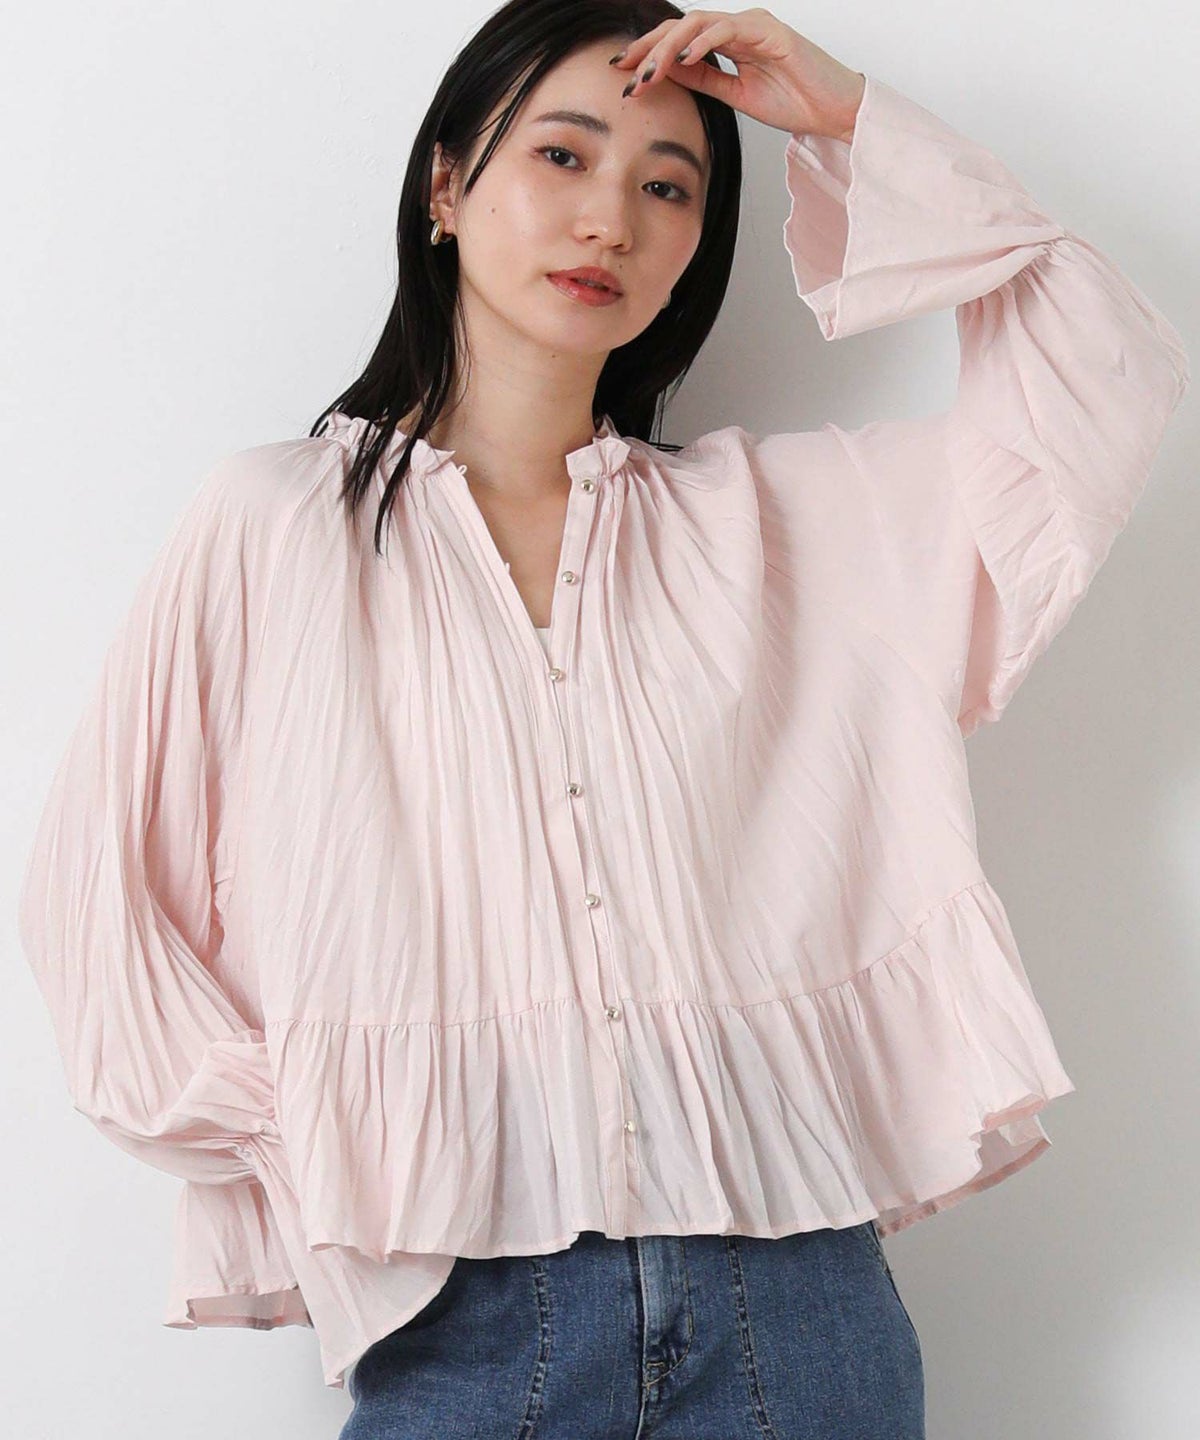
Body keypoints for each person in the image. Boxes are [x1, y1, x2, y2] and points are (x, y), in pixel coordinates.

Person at [17, 1, 1188, 1436]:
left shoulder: (788, 528)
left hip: (799, 1322)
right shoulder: (276, 527)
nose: (611, 221)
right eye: (563, 156)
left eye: (668, 185)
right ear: (447, 188)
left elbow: (1098, 384)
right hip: (465, 1330)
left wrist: (847, 120)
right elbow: (99, 897)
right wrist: (312, 1132)